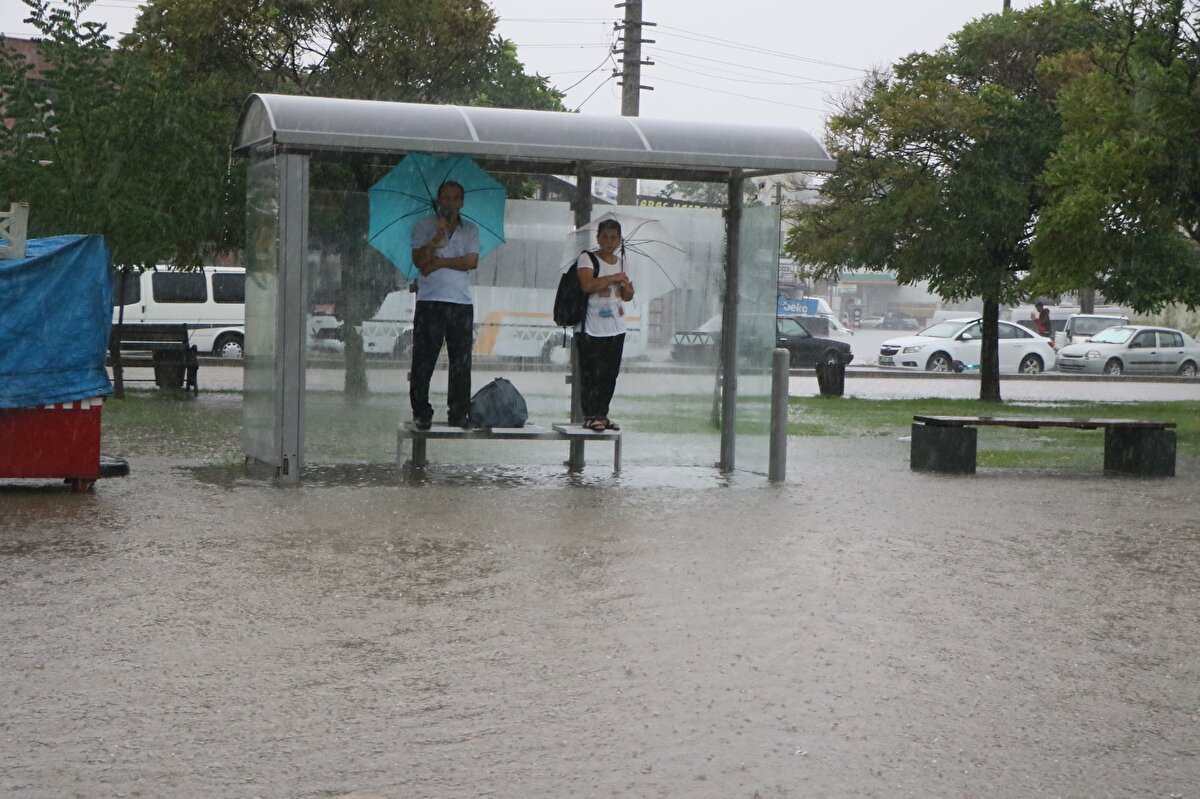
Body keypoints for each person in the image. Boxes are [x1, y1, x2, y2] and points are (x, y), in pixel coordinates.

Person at [409, 181, 480, 430]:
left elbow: (471, 261)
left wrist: (439, 263)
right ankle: (421, 411)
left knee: (461, 361)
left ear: (462, 202)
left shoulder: (470, 230)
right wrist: (435, 241)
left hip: (460, 303)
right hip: (430, 302)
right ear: (440, 201)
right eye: (446, 198)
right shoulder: (423, 226)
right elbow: (420, 261)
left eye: (455, 198)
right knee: (424, 359)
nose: (450, 202)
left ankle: (459, 412)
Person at [575, 218, 634, 432]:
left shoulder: (622, 262)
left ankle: (603, 414)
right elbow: (587, 285)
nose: (609, 241)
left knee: (610, 374)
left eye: (613, 237)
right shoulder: (587, 259)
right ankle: (590, 415)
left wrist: (625, 285)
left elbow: (627, 296)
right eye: (605, 237)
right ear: (598, 238)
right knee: (591, 373)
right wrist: (612, 278)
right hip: (591, 327)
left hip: (616, 327)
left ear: (619, 240)